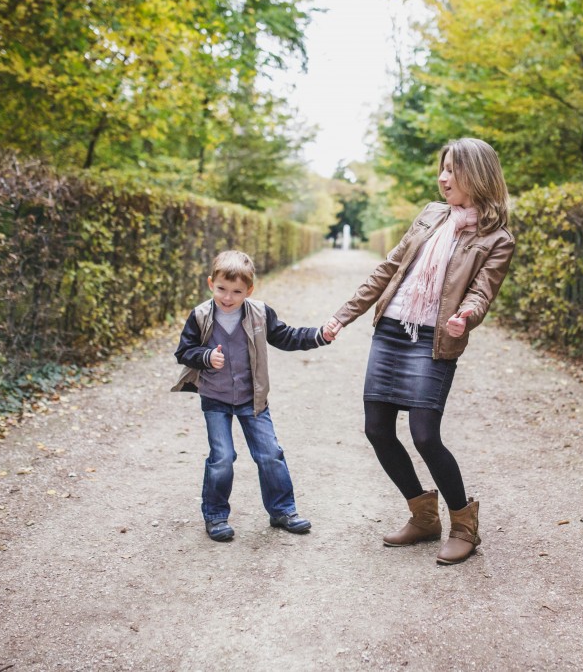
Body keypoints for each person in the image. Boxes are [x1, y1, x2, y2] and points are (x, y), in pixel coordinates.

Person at [322, 138, 515, 565]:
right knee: (377, 429)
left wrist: (465, 315)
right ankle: (423, 516)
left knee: (426, 434)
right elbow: (388, 269)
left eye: (452, 170)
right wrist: (343, 316)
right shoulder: (431, 215)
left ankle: (465, 526)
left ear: (477, 176)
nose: (443, 177)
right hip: (391, 330)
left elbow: (482, 291)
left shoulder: (497, 238)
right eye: (441, 169)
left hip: (434, 341)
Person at [172, 250, 331, 542]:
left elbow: (286, 336)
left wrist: (318, 335)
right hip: (215, 398)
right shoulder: (200, 316)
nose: (228, 297)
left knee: (270, 453)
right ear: (211, 283)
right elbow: (183, 352)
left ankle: (282, 510)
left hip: (252, 398)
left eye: (236, 291)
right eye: (221, 289)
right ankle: (216, 515)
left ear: (250, 290)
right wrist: (206, 357)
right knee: (222, 457)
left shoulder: (260, 312)